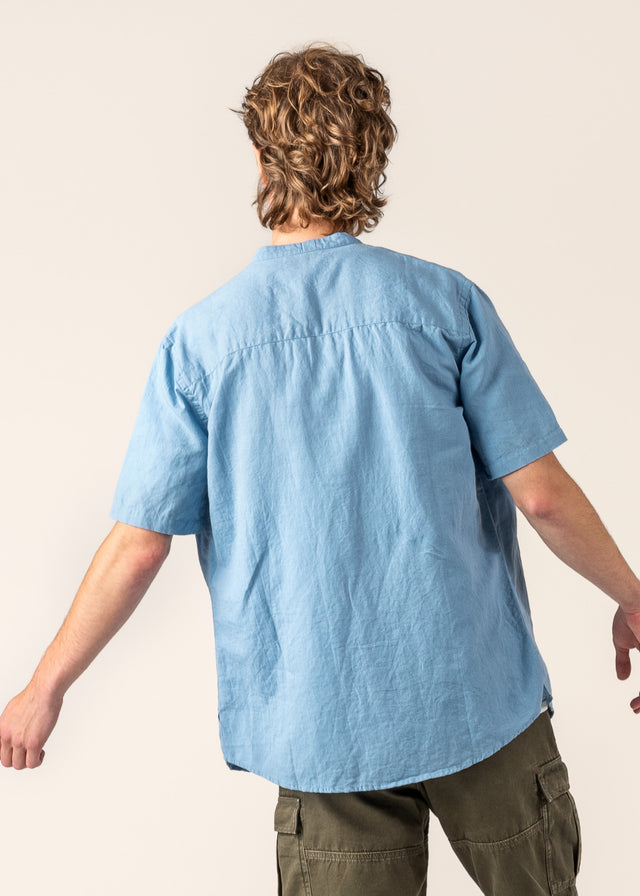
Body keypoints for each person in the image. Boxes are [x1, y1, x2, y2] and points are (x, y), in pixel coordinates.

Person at [1, 41, 639, 896]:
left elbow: (139, 544)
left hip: (325, 725)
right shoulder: (445, 305)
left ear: (261, 157)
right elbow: (543, 496)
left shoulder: (203, 344)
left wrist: (45, 687)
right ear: (374, 153)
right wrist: (633, 597)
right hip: (478, 699)